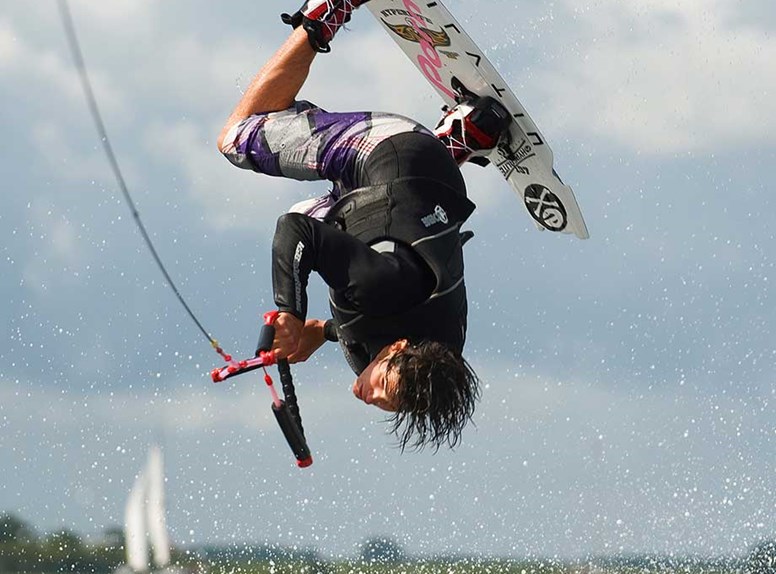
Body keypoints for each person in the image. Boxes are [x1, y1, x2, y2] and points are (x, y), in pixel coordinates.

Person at [217, 0, 507, 450]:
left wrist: (322, 332)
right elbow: (294, 231)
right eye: (384, 391)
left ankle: (464, 136)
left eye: (386, 403)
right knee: (237, 139)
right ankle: (325, 14)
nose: (373, 398)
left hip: (429, 189)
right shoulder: (381, 287)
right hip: (386, 149)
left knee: (339, 216)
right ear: (397, 349)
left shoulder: (435, 356)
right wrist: (291, 313)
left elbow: (387, 320)